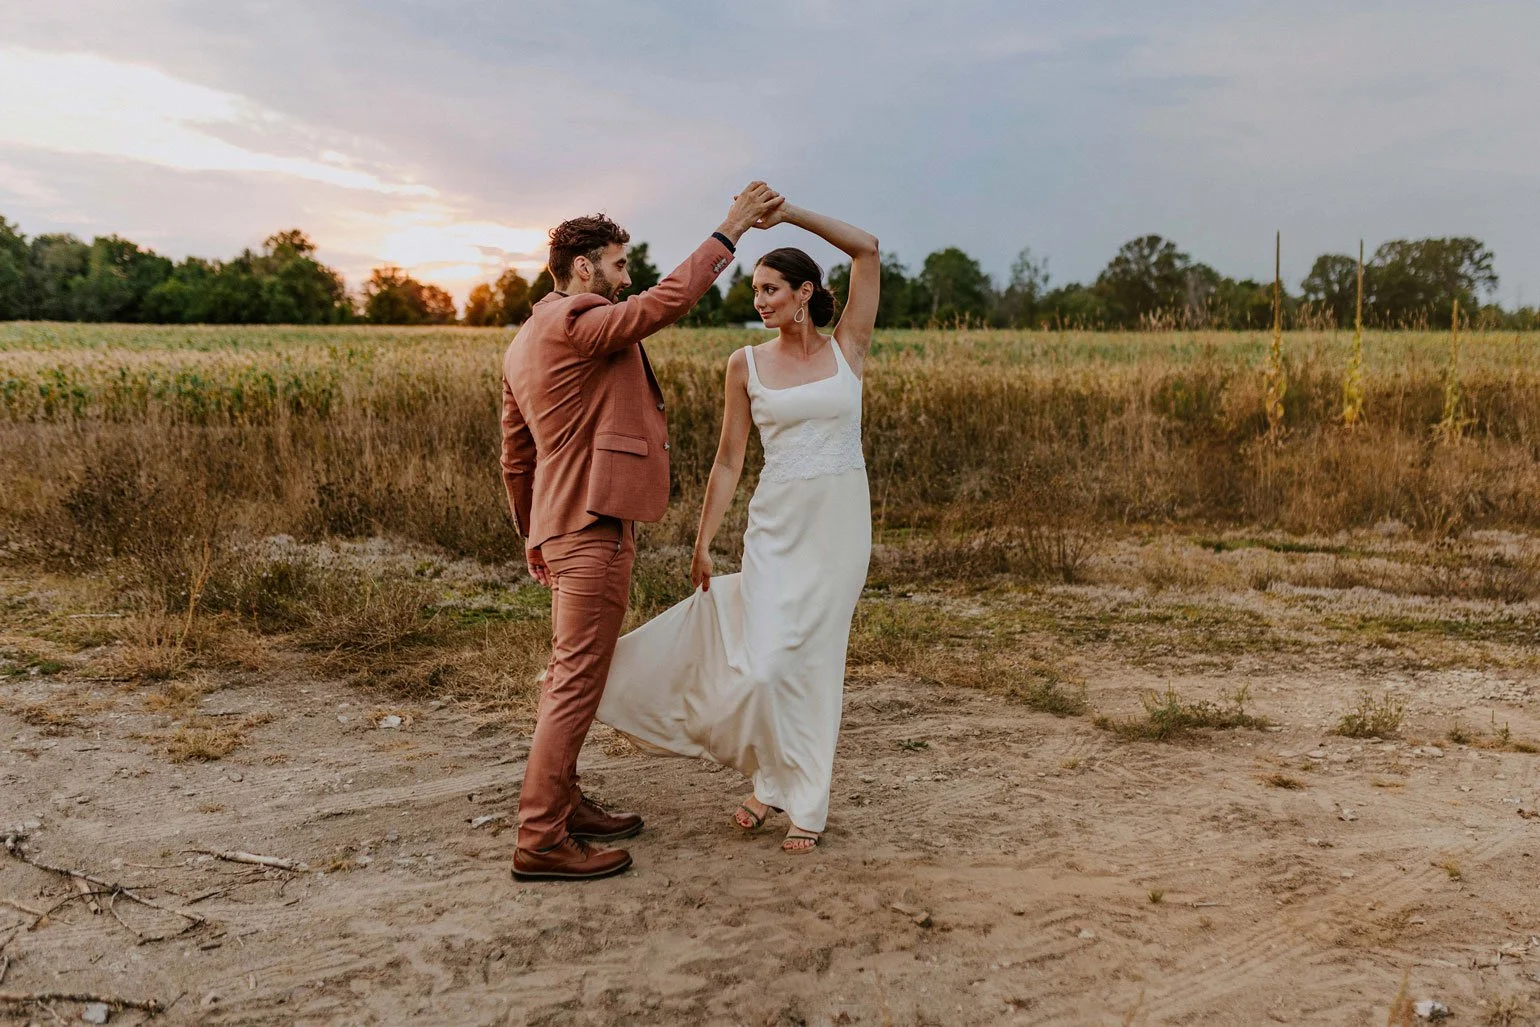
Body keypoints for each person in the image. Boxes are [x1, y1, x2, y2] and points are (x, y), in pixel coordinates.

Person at [500, 183, 785, 881]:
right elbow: (663, 305)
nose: (627, 278)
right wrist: (730, 231)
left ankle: (564, 804)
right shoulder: (577, 318)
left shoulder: (522, 339)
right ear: (584, 268)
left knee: (577, 674)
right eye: (619, 265)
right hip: (591, 528)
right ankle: (540, 836)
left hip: (564, 527)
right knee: (574, 682)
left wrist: (533, 532)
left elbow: (516, 455)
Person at [597, 200, 880, 853]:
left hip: (838, 531)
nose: (760, 300)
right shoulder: (744, 365)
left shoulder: (849, 349)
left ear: (805, 293)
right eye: (754, 290)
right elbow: (729, 461)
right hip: (775, 530)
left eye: (771, 289)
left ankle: (801, 796)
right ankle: (774, 777)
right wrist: (702, 539)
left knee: (813, 664)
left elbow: (866, 247)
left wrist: (793, 217)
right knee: (764, 666)